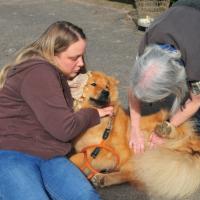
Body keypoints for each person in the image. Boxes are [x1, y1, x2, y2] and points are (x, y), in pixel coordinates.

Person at [0, 21, 114, 200]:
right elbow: (64, 128)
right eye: (73, 58)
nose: (81, 63)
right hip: (12, 152)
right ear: (52, 53)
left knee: (87, 196)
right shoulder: (39, 72)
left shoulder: (52, 73)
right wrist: (93, 114)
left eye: (82, 56)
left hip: (50, 154)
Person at [129, 0, 200, 153]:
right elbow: (135, 86)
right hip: (184, 6)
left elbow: (196, 101)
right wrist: (134, 128)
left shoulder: (196, 64)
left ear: (176, 84)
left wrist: (164, 130)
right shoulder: (148, 42)